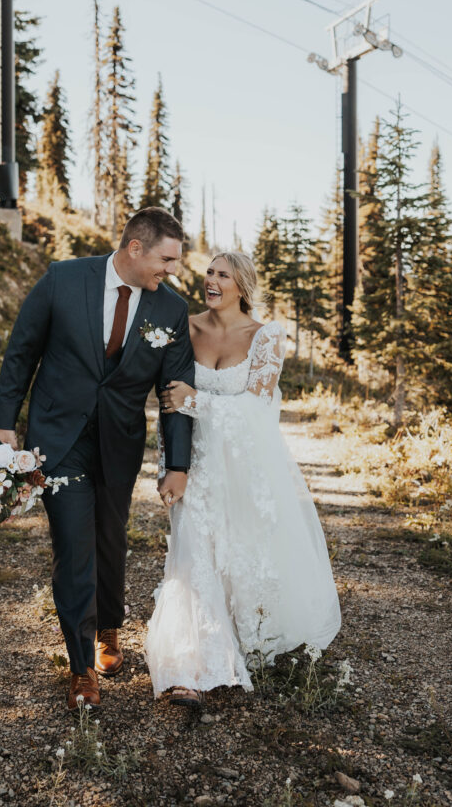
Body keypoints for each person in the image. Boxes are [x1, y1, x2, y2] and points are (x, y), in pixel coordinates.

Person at [0, 207, 195, 710]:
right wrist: (3, 426)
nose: (171, 271)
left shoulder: (170, 309)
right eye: (166, 260)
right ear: (134, 248)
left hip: (120, 441)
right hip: (57, 437)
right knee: (73, 544)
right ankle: (81, 666)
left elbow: (174, 392)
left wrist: (179, 464)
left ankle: (108, 628)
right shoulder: (63, 278)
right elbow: (22, 352)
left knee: (110, 538)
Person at [145, 251, 341, 705]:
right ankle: (191, 666)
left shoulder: (265, 337)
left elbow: (256, 408)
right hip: (193, 464)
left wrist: (198, 400)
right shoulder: (185, 327)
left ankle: (245, 631)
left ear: (243, 286)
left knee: (242, 551)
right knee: (194, 557)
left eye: (223, 276)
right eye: (210, 272)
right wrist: (173, 462)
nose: (211, 281)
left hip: (245, 465)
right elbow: (166, 394)